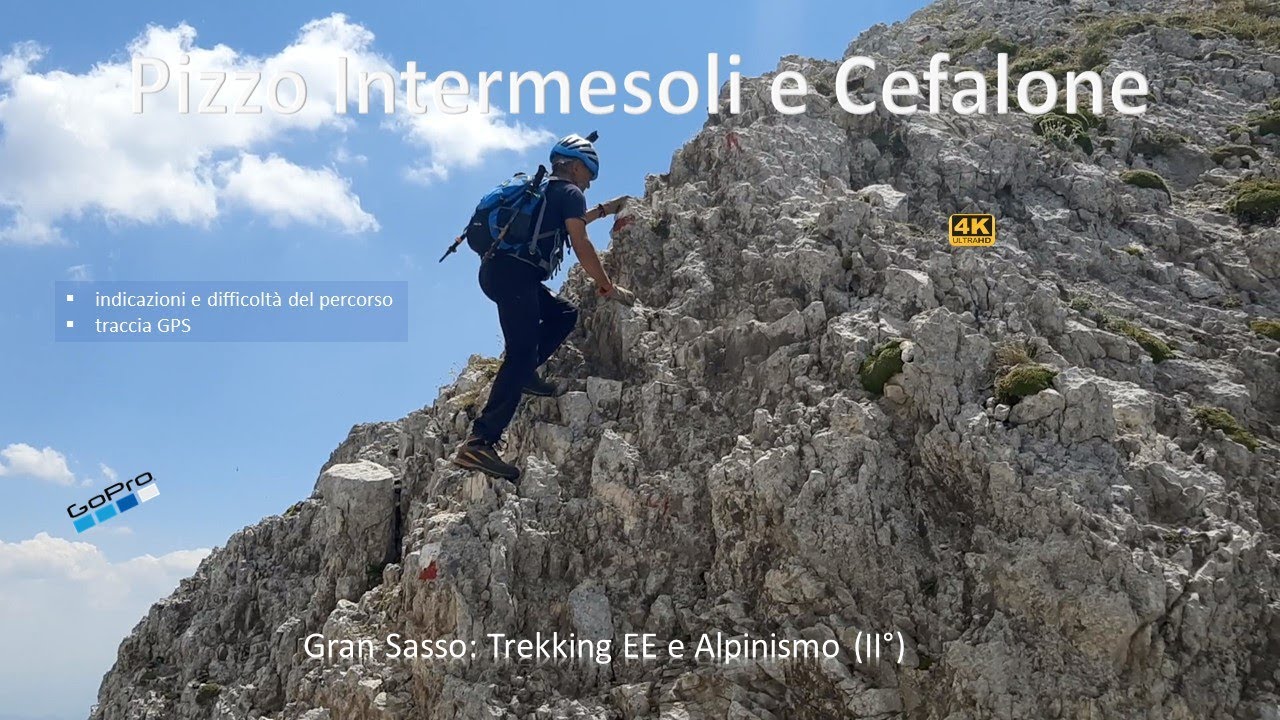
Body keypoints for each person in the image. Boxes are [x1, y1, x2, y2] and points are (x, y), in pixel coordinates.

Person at [452, 133, 628, 480]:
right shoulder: (570, 193)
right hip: (516, 276)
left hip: (501, 272)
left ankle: (526, 373)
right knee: (519, 353)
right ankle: (480, 442)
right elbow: (579, 241)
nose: (588, 186)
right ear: (577, 167)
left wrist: (606, 210)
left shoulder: (547, 191)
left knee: (564, 313)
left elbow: (567, 223)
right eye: (588, 177)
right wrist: (606, 285)